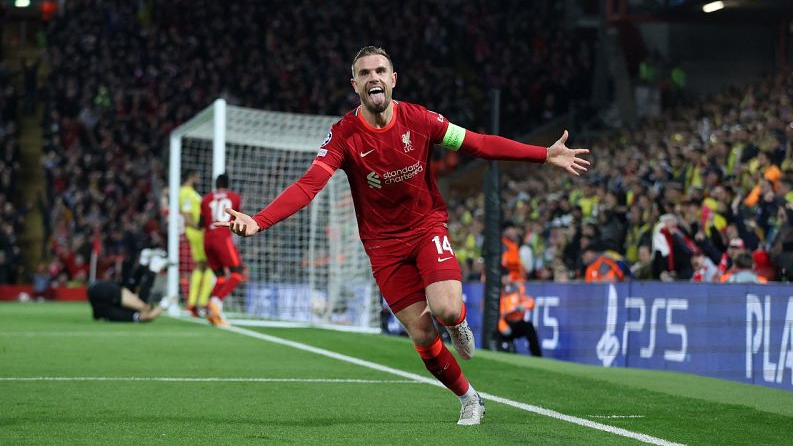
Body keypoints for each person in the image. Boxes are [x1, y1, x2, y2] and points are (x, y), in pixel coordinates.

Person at [214, 46, 591, 425]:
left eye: (380, 70)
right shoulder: (343, 134)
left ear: (393, 79)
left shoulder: (420, 119)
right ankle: (469, 398)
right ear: (355, 85)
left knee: (445, 309)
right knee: (423, 335)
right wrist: (259, 221)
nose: (373, 77)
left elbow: (478, 143)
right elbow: (309, 184)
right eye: (364, 73)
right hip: (383, 247)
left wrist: (544, 154)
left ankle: (457, 322)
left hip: (426, 227)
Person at [200, 173, 244, 327]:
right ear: (228, 184)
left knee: (220, 277)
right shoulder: (235, 197)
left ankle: (211, 313)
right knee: (237, 273)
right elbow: (237, 218)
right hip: (222, 238)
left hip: (207, 240)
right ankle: (216, 302)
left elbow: (201, 223)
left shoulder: (206, 199)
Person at [88, 249, 173, 322]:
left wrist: (164, 304)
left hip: (101, 292)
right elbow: (148, 316)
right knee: (138, 299)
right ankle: (147, 265)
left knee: (142, 303)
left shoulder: (123, 313)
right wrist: (163, 305)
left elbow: (148, 316)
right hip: (96, 291)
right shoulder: (119, 313)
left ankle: (149, 266)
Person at [179, 169, 214, 317]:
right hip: (196, 233)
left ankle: (194, 303)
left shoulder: (189, 192)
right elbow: (187, 217)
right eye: (197, 176)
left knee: (203, 265)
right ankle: (202, 302)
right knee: (209, 264)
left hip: (196, 232)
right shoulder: (186, 193)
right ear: (191, 176)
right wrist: (200, 228)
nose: (199, 178)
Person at [497, 279, 541, 357]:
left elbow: (531, 302)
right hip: (505, 323)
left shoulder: (518, 291)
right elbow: (497, 315)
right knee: (497, 332)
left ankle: (537, 356)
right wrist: (503, 326)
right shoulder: (497, 293)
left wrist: (523, 305)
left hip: (517, 323)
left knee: (529, 327)